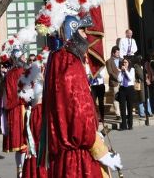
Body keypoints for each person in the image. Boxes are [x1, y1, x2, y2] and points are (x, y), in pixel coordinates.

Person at [40, 15, 122, 176]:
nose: (87, 36)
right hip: (79, 159)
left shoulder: (58, 59)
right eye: (83, 31)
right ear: (73, 32)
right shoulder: (69, 62)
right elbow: (78, 112)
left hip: (65, 156)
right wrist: (101, 152)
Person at [118, 57, 136, 130]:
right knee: (122, 107)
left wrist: (125, 70)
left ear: (129, 63)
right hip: (122, 88)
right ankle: (124, 125)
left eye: (125, 62)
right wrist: (120, 72)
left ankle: (130, 124)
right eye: (123, 62)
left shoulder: (132, 70)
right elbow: (119, 79)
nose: (124, 64)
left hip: (129, 88)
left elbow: (130, 78)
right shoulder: (121, 71)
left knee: (129, 107)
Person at [105, 46, 121, 120]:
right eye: (117, 52)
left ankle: (125, 112)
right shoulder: (109, 61)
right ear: (113, 53)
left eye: (119, 52)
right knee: (116, 98)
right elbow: (110, 72)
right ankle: (118, 114)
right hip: (115, 82)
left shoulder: (122, 60)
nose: (118, 53)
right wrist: (118, 78)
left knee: (123, 98)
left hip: (123, 82)